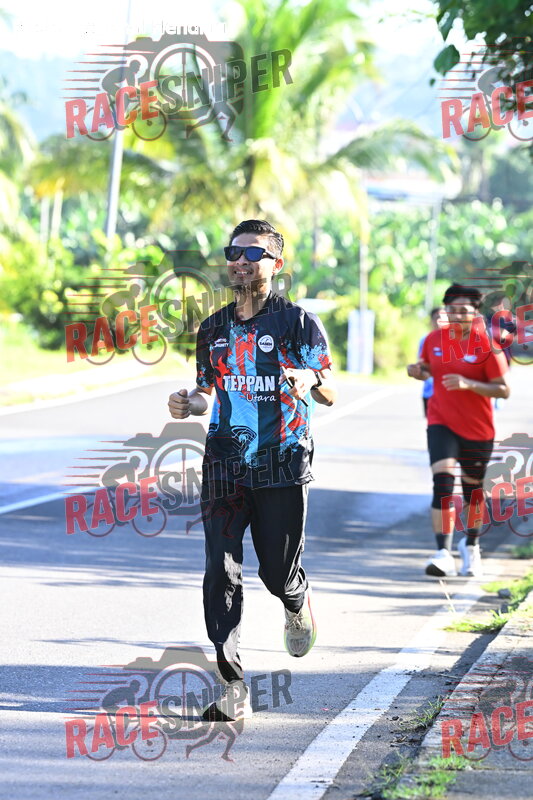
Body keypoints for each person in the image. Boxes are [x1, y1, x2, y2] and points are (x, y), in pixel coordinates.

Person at [168, 219, 337, 720]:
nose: (241, 261)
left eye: (253, 253)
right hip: (225, 461)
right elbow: (207, 391)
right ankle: (231, 684)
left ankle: (295, 599)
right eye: (234, 252)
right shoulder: (213, 328)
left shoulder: (298, 322)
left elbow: (330, 390)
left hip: (282, 458)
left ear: (276, 264)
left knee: (276, 571)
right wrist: (189, 402)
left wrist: (308, 379)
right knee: (219, 569)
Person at [407, 284, 510, 579]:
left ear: (475, 313)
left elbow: (503, 390)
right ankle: (442, 552)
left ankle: (471, 546)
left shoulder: (486, 345)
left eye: (463, 311)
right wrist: (417, 372)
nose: (456, 315)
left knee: (472, 492)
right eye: (451, 310)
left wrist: (469, 384)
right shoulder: (433, 339)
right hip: (441, 422)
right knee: (442, 482)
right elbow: (429, 369)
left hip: (477, 429)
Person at [418, 307, 444, 417]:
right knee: (432, 424)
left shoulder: (456, 340)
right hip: (429, 392)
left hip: (448, 394)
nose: (439, 322)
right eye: (436, 318)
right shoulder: (425, 340)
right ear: (431, 321)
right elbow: (422, 364)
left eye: (442, 318)